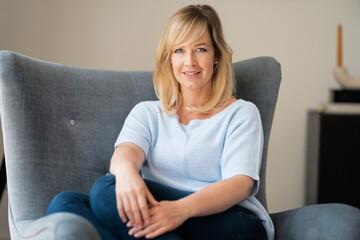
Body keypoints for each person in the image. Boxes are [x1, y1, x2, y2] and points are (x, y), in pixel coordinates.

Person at [47, 4, 274, 240]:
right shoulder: (147, 113)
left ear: (216, 55)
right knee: (65, 203)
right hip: (162, 217)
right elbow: (126, 153)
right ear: (168, 58)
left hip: (232, 222)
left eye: (201, 49)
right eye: (179, 50)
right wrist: (127, 175)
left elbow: (240, 184)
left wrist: (178, 211)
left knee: (105, 191)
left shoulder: (241, 113)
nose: (190, 61)